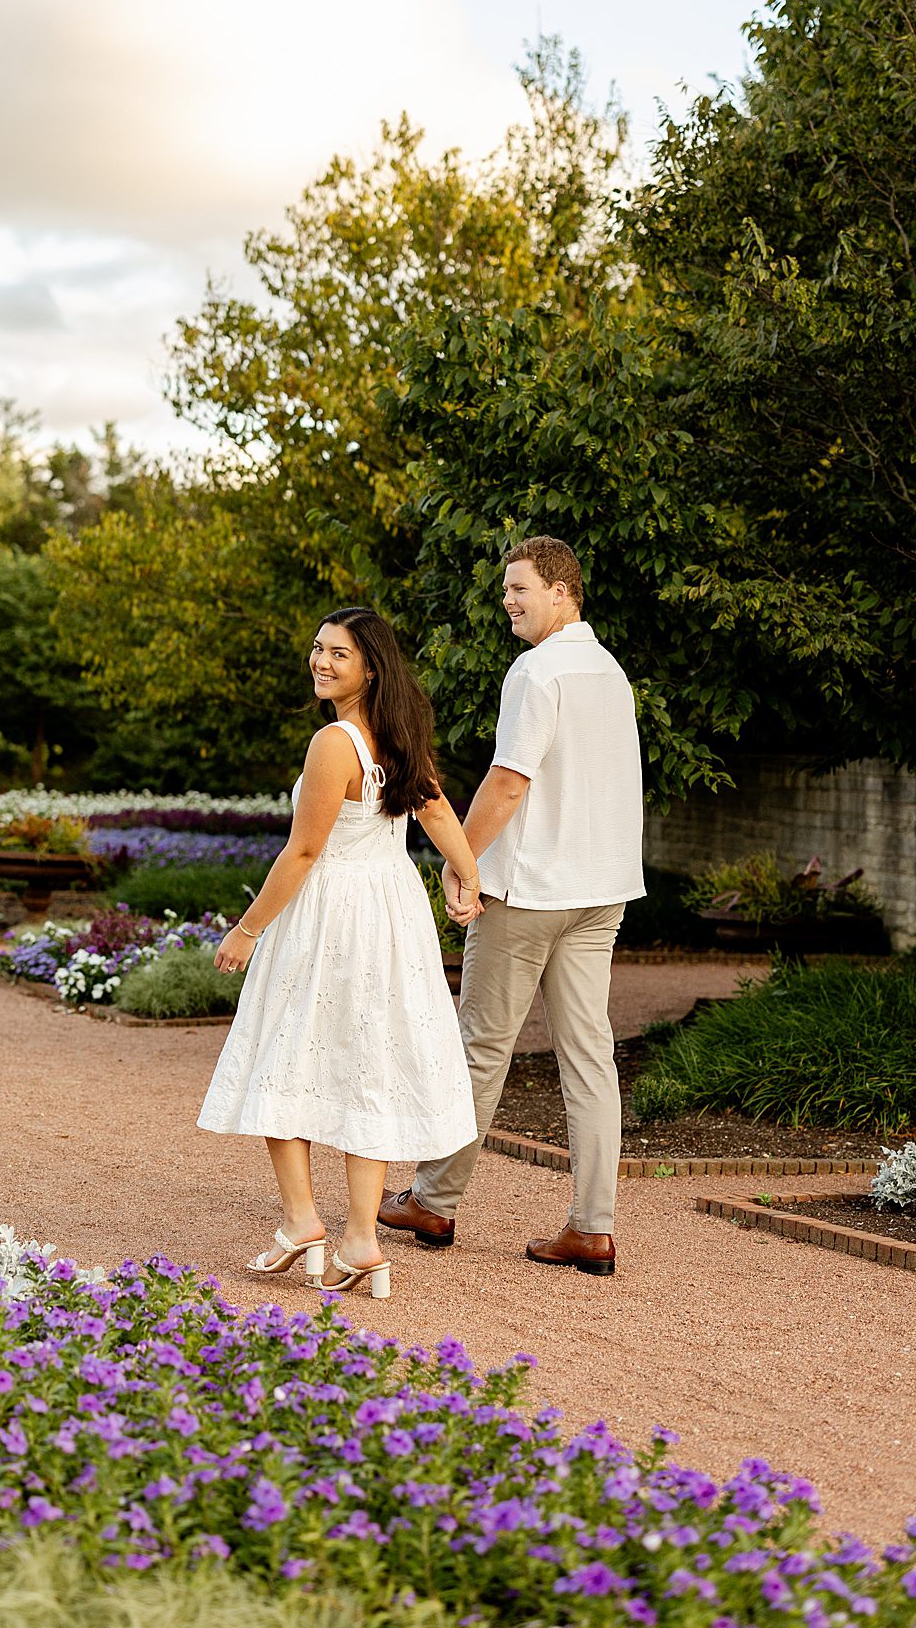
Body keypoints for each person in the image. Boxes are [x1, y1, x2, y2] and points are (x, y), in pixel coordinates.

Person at [379, 536, 645, 1277]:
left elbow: (507, 782)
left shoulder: (538, 671)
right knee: (590, 1057)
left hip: (529, 891)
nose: (509, 601)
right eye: (507, 592)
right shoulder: (611, 673)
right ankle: (592, 1228)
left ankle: (434, 1200)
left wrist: (459, 864)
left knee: (481, 1047)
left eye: (521, 589)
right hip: (602, 892)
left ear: (564, 590)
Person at [198, 606, 481, 1300]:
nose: (322, 662)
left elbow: (304, 850)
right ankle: (361, 1240)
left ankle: (302, 1223)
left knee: (283, 1061)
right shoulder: (400, 732)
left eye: (339, 654)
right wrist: (468, 874)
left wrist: (248, 928)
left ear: (371, 666)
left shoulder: (335, 743)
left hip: (329, 917)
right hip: (391, 914)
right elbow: (438, 812)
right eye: (318, 649)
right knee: (369, 1069)